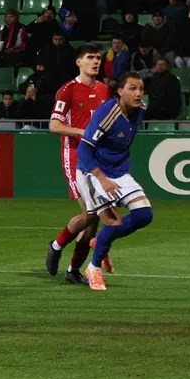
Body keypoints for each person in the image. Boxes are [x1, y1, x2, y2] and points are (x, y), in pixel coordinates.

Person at [44, 43, 115, 285]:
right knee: (90, 212)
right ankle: (56, 245)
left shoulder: (104, 89)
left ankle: (73, 269)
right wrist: (81, 132)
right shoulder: (68, 90)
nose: (96, 61)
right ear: (79, 62)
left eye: (98, 58)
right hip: (74, 155)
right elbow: (54, 126)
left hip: (97, 157)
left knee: (93, 219)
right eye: (91, 58)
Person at [77, 72, 152, 291]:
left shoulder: (141, 109)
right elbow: (83, 148)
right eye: (132, 88)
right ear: (120, 92)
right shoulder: (107, 113)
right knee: (113, 223)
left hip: (119, 171)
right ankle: (93, 268)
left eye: (141, 88)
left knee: (144, 214)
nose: (138, 93)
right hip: (93, 173)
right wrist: (102, 178)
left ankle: (101, 242)